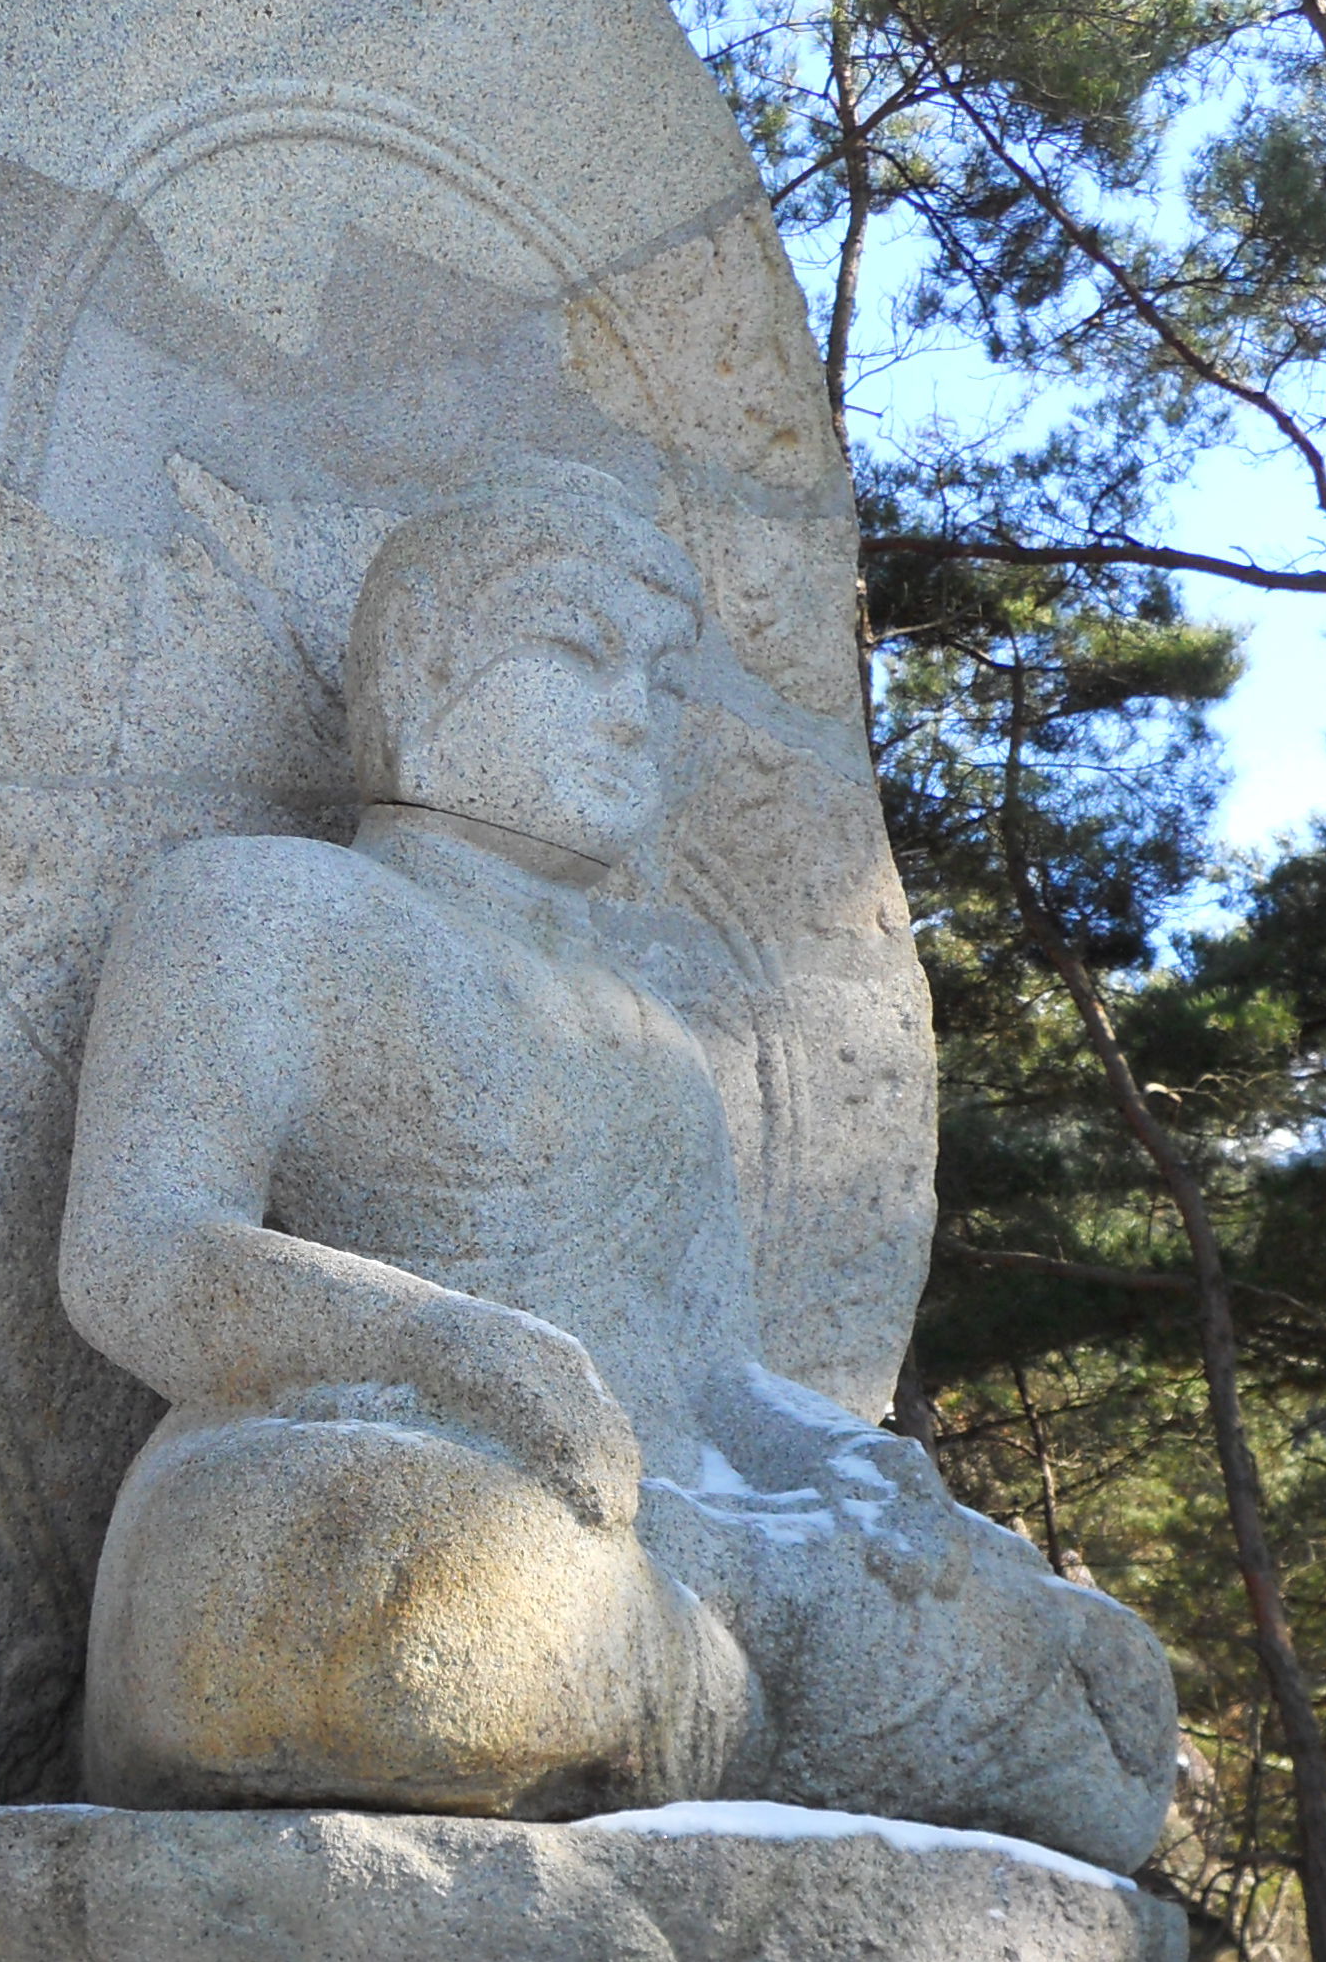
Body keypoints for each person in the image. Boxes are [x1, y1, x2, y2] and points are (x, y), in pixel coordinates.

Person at [57, 461, 1177, 1868]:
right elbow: (140, 1252)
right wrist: (450, 1349)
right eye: (573, 651)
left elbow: (707, 1375)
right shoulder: (268, 903)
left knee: (1103, 1694)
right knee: (390, 1575)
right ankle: (694, 1690)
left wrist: (846, 1460)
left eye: (662, 678)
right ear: (417, 678)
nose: (629, 713)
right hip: (386, 1469)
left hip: (674, 1537)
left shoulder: (653, 1037)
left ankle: (694, 1688)